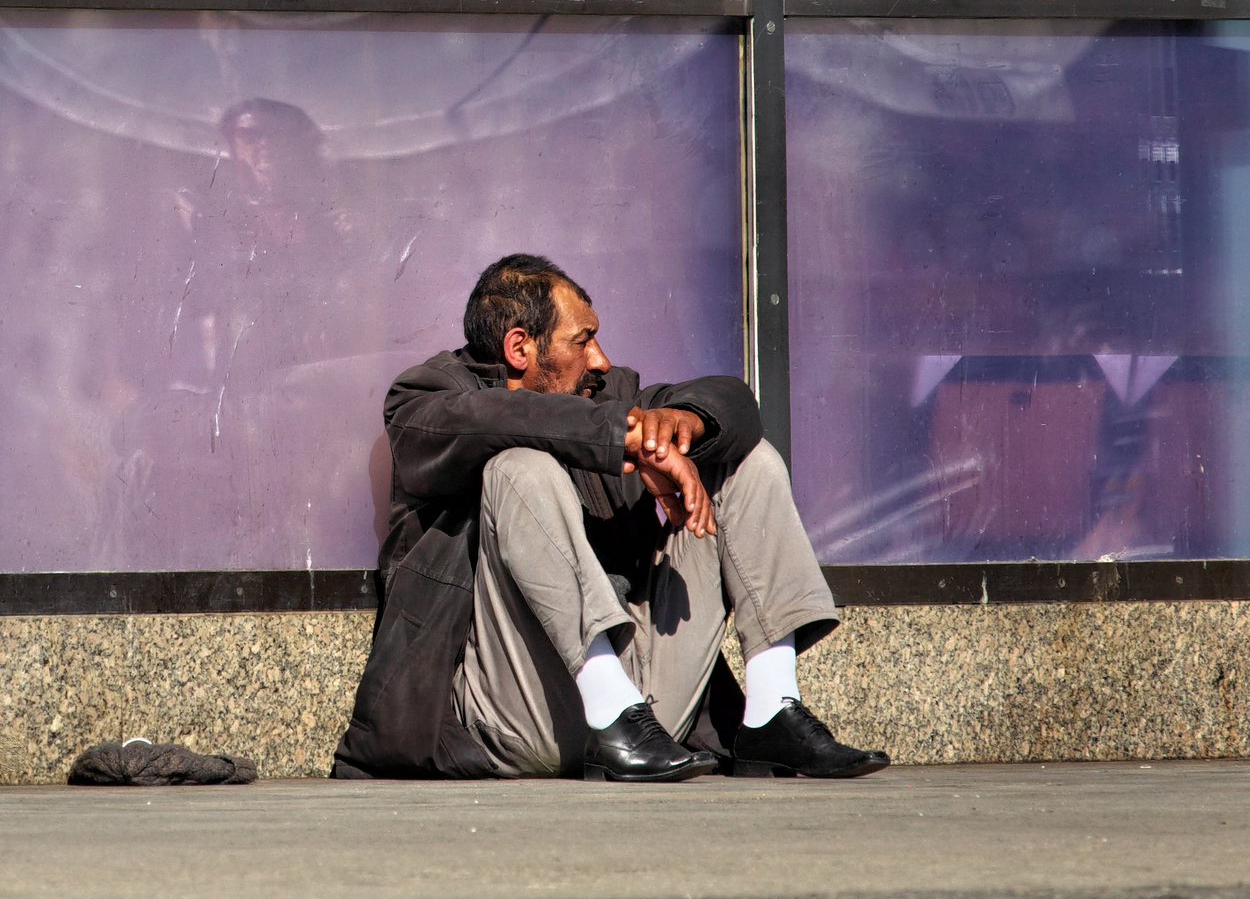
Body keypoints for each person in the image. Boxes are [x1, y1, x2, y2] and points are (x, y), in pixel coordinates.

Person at [332, 254, 889, 782]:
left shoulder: (608, 391)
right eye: (583, 340)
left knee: (747, 457)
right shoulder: (425, 399)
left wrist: (681, 425)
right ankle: (606, 703)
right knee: (517, 467)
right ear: (520, 347)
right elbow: (486, 417)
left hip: (648, 714)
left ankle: (771, 706)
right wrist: (622, 439)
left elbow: (735, 402)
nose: (599, 358)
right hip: (515, 713)